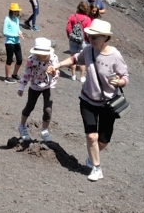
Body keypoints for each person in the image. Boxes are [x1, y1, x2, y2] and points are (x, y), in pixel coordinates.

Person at [48, 20, 128, 182]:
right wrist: (58, 65)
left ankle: (92, 156)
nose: (91, 38)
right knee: (91, 136)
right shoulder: (88, 50)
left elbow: (125, 76)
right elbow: (75, 59)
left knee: (103, 141)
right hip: (87, 100)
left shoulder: (115, 56)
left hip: (107, 103)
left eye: (95, 36)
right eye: (89, 35)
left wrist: (119, 82)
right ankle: (97, 168)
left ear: (105, 37)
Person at [17, 37, 59, 142]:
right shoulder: (31, 59)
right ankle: (22, 126)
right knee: (29, 107)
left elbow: (57, 73)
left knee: (48, 109)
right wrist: (22, 86)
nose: (42, 58)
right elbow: (26, 73)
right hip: (35, 86)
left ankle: (44, 130)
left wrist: (53, 73)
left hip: (49, 86)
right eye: (39, 55)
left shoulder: (53, 58)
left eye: (44, 56)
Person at [66, 2, 93, 82]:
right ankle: (82, 77)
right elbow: (88, 32)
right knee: (82, 59)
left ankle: (73, 75)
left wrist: (69, 36)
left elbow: (68, 28)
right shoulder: (88, 19)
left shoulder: (72, 16)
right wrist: (89, 41)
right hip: (83, 41)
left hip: (73, 39)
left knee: (73, 58)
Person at [3, 3, 23, 83]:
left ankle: (14, 74)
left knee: (20, 60)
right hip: (9, 42)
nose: (16, 13)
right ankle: (7, 77)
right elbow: (4, 32)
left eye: (17, 11)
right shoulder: (7, 19)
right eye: (14, 11)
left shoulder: (17, 19)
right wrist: (15, 35)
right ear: (11, 11)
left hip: (17, 42)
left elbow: (18, 29)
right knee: (9, 60)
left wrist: (20, 33)